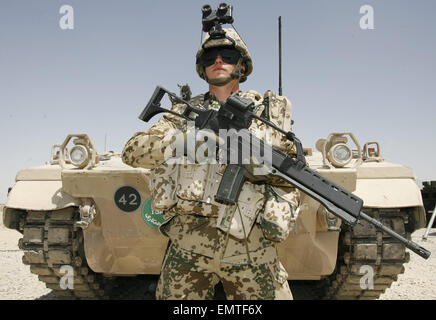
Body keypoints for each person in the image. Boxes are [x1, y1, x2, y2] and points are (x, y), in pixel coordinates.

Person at [122, 27, 300, 300]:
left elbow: (292, 172)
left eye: (227, 55)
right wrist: (185, 143)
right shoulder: (182, 112)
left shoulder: (267, 111)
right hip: (187, 246)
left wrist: (255, 164)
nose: (218, 61)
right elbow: (132, 151)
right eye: (210, 58)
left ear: (242, 66)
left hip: (251, 246)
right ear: (202, 69)